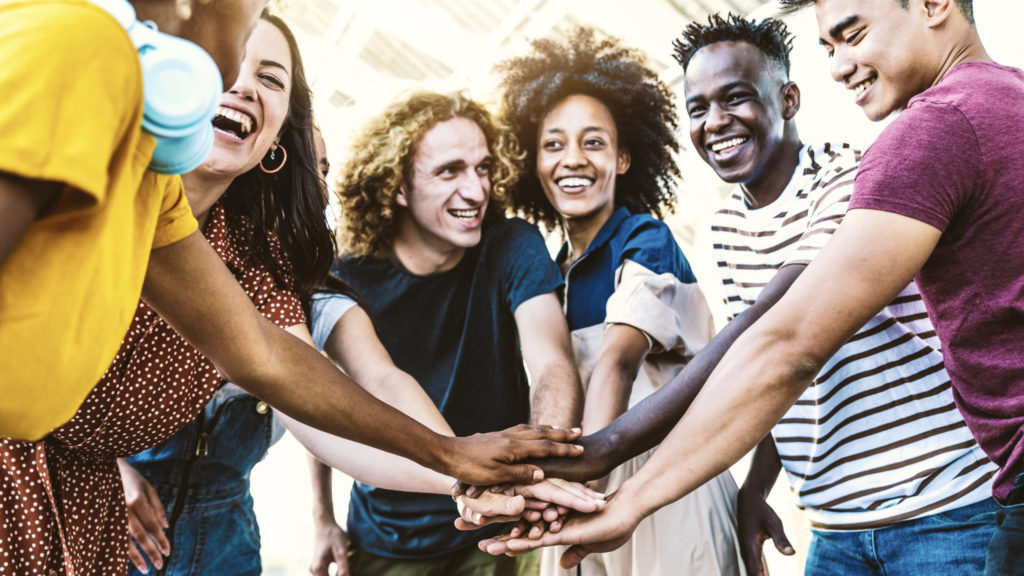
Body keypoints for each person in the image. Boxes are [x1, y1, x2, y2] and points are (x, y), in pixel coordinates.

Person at [481, 1, 1024, 575]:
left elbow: (776, 339)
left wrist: (604, 454)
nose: (715, 121)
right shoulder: (724, 227)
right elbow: (756, 374)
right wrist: (756, 486)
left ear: (787, 100)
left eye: (735, 97)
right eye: (698, 108)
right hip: (836, 523)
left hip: (943, 507)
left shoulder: (856, 174)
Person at [495, 28, 742, 576]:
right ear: (533, 161)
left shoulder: (646, 239)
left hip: (664, 494)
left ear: (625, 157)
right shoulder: (545, 274)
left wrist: (571, 490)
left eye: (594, 141)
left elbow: (618, 363)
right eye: (553, 143)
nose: (572, 159)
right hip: (583, 491)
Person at [317, 90, 585, 575]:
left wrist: (543, 468)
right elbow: (324, 399)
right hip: (386, 533)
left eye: (483, 168)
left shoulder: (511, 245)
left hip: (501, 527)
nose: (477, 190)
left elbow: (551, 361)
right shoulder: (347, 276)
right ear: (397, 186)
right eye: (450, 171)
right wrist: (322, 518)